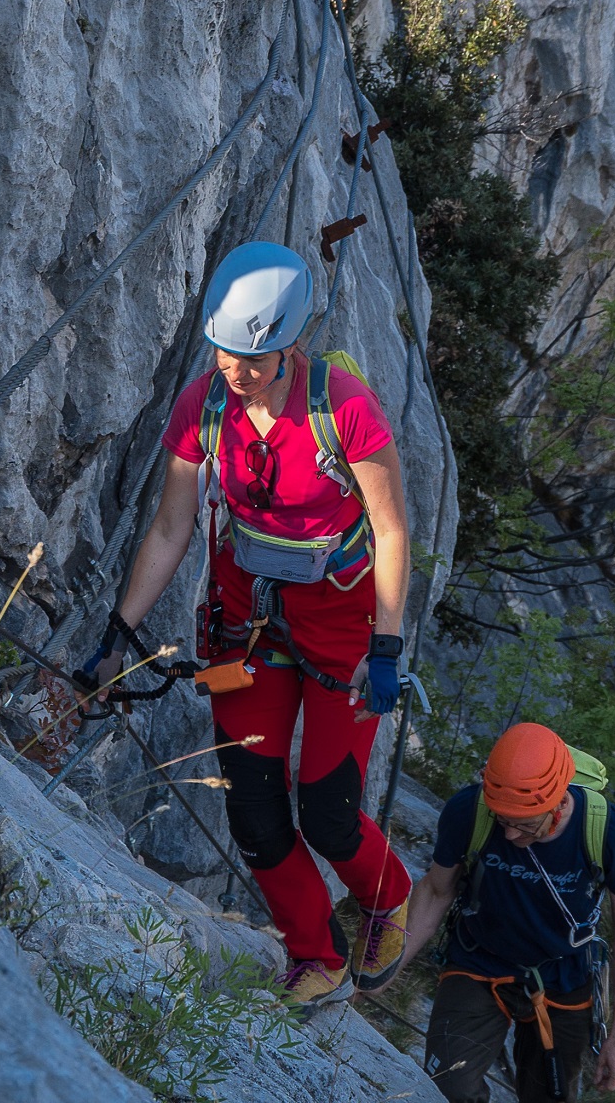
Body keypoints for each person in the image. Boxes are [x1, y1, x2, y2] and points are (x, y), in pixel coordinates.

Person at [84, 240, 414, 1006]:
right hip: (250, 623)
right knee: (255, 811)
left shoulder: (344, 410)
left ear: (292, 344)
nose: (237, 371)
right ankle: (316, 954)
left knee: (330, 815)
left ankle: (386, 894)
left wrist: (388, 645)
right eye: (226, 353)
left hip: (342, 623)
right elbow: (170, 529)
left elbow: (393, 530)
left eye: (255, 359)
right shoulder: (204, 406)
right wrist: (120, 632)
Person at [379, 723, 615, 1101]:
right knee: (449, 1088)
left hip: (563, 974)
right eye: (502, 821)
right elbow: (435, 892)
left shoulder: (609, 832)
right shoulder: (468, 811)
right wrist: (379, 971)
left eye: (524, 825)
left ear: (559, 802)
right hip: (478, 961)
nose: (509, 836)